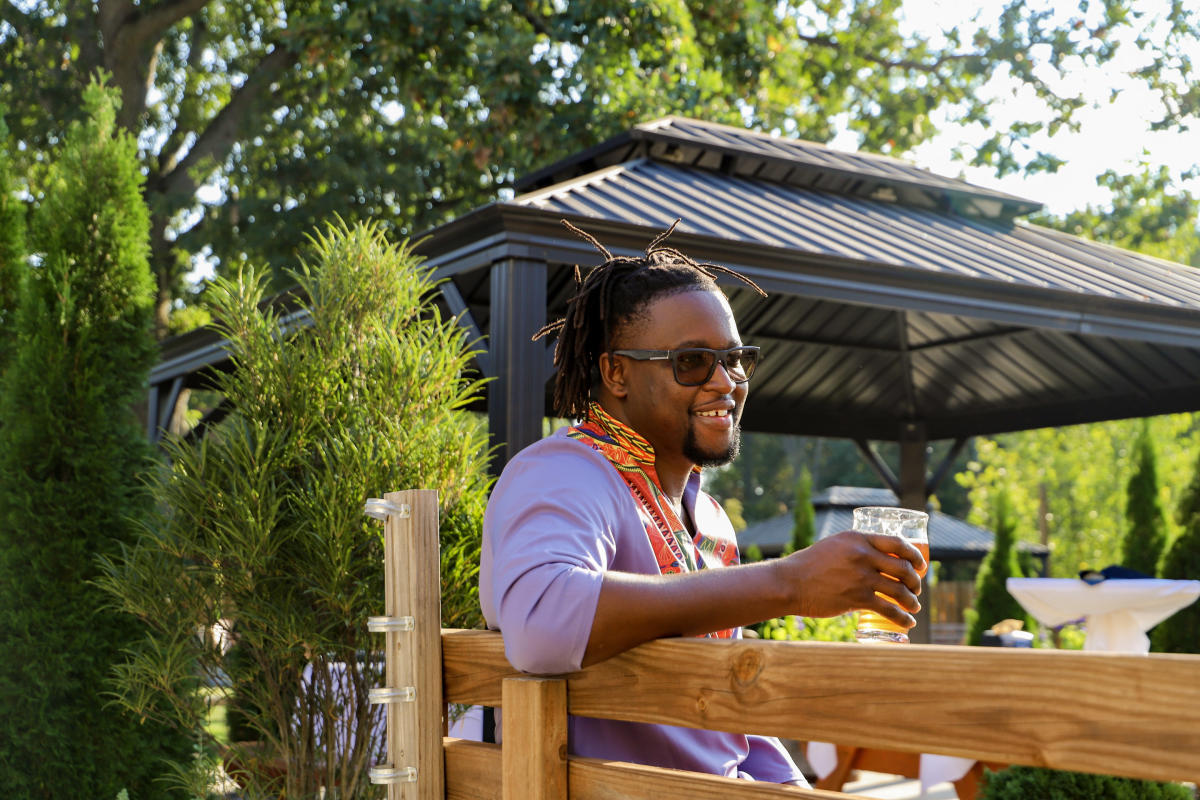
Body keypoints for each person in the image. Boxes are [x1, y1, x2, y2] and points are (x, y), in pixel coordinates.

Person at [479, 220, 925, 786]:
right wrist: (789, 583)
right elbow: (542, 624)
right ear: (614, 372)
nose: (726, 381)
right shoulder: (563, 471)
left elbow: (729, 729)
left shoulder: (709, 517)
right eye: (691, 361)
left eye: (736, 359)